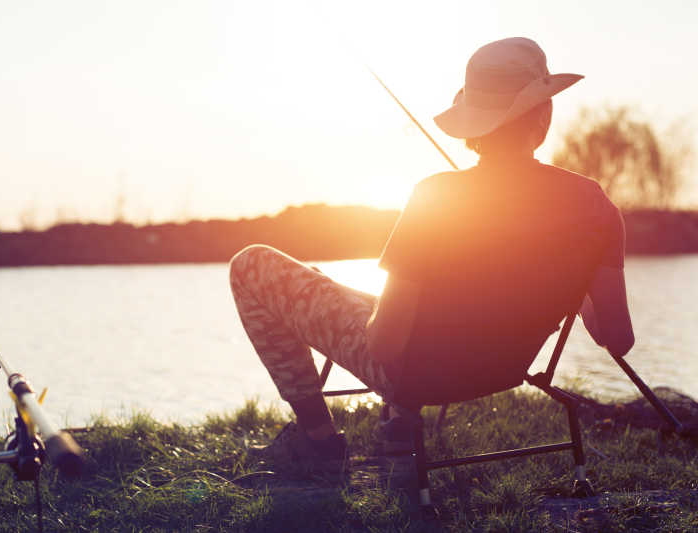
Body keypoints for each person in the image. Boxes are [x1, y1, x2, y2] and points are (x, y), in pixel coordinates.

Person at [229, 37, 634, 471]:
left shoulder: (437, 197)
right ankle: (397, 423)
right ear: (544, 115)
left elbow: (385, 345)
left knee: (252, 265)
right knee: (321, 283)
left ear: (472, 124)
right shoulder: (595, 205)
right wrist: (577, 285)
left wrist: (355, 315)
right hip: (502, 370)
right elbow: (617, 338)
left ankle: (318, 439)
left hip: (416, 376)